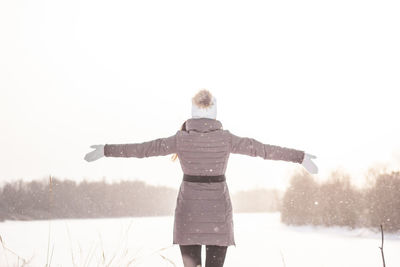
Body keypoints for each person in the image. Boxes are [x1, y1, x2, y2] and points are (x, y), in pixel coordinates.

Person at [84, 89, 318, 267]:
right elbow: (263, 149)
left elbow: (142, 149)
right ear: (214, 112)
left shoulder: (180, 139)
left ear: (193, 112)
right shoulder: (226, 139)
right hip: (217, 214)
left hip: (189, 216)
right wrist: (300, 157)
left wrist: (106, 149)